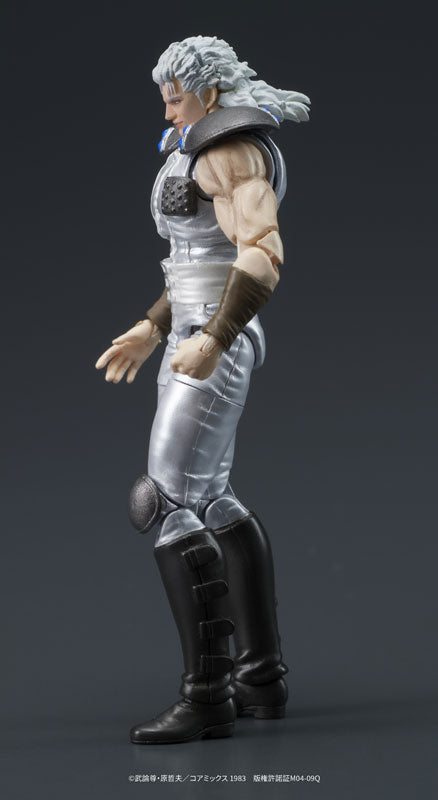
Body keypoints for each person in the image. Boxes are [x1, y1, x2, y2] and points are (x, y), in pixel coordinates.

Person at [95, 35, 310, 744]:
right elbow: (193, 262)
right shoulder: (192, 146)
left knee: (164, 501)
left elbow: (261, 256)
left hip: (214, 338)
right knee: (212, 500)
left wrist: (215, 337)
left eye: (176, 96)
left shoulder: (229, 152)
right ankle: (260, 678)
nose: (168, 109)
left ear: (209, 93)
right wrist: (151, 327)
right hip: (190, 330)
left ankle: (206, 695)